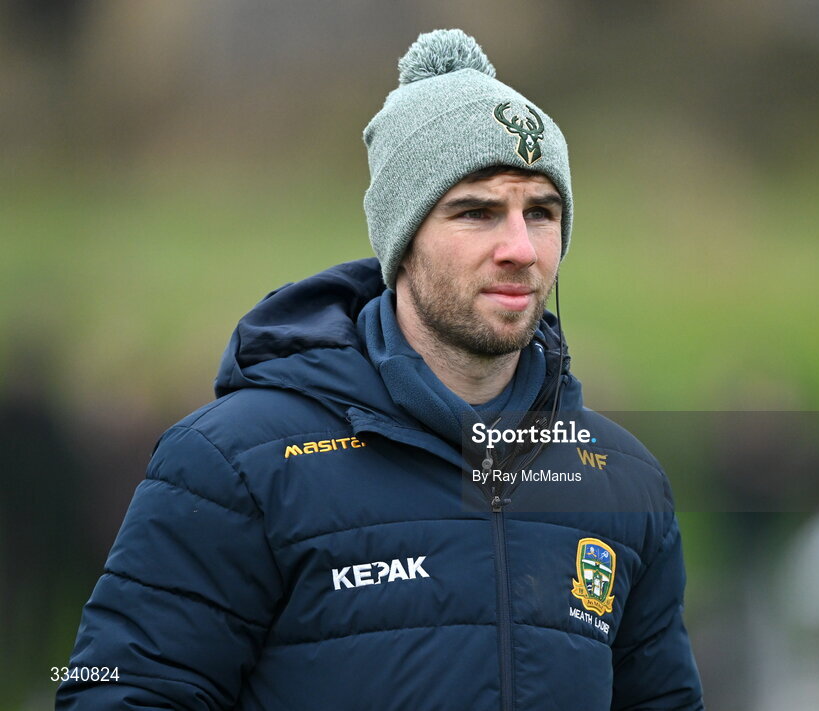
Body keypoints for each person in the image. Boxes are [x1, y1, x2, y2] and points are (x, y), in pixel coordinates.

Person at [57, 29, 704, 710]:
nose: (520, 246)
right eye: (477, 211)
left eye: (540, 212)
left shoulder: (621, 480)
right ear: (403, 240)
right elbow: (119, 691)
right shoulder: (235, 464)